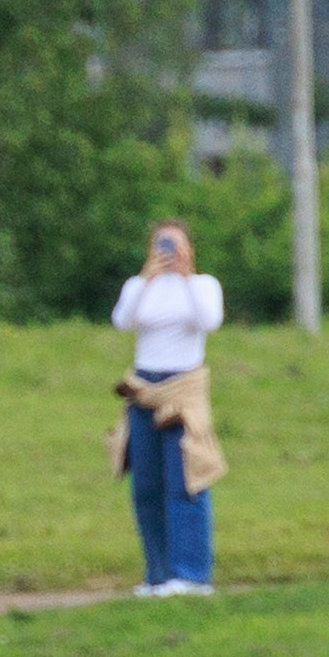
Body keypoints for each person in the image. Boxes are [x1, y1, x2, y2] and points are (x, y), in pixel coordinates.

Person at [109, 220, 225, 597]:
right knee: (147, 486)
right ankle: (157, 573)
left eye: (176, 245)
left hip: (183, 390)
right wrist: (148, 278)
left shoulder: (204, 286)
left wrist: (187, 276)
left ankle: (191, 574)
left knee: (185, 481)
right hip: (145, 388)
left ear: (190, 248)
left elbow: (209, 320)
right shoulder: (139, 286)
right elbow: (123, 320)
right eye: (162, 244)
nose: (169, 252)